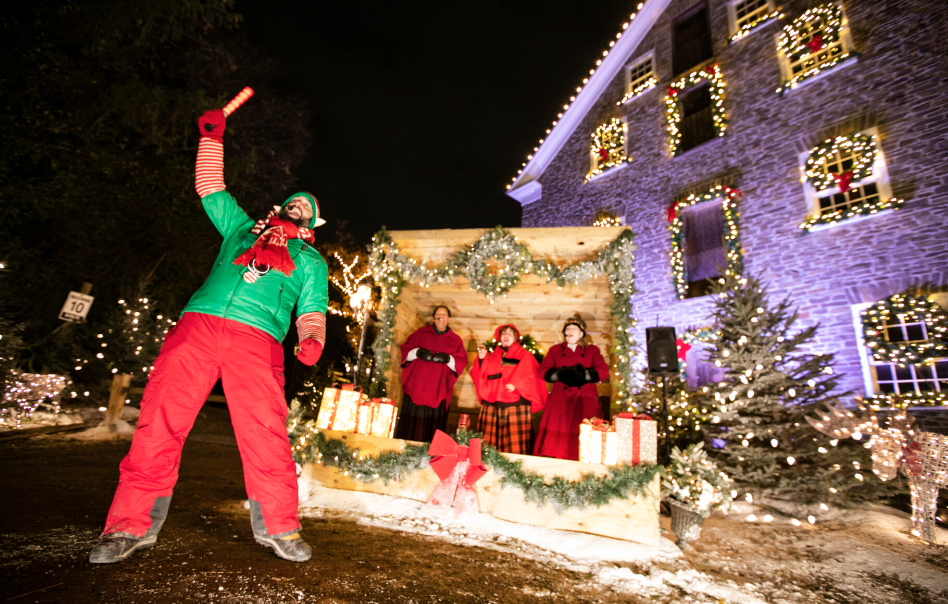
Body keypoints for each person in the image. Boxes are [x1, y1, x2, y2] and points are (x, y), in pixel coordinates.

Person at [89, 108, 328, 564]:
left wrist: (310, 338)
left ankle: (279, 526)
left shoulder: (311, 261)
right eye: (293, 201)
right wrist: (211, 140)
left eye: (306, 207)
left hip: (257, 341)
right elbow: (211, 189)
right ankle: (128, 527)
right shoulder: (241, 229)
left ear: (313, 224)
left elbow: (312, 307)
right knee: (158, 421)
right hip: (197, 326)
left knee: (265, 433)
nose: (297, 206)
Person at [533, 316, 609, 461]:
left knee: (583, 438)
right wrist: (560, 375)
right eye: (567, 329)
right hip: (560, 401)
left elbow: (603, 371)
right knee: (556, 440)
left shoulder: (592, 350)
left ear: (581, 333)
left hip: (584, 400)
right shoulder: (555, 350)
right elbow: (542, 371)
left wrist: (583, 375)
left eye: (574, 328)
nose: (569, 331)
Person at [395, 305, 468, 442]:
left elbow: (462, 361)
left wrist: (448, 359)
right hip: (416, 388)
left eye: (444, 315)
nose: (441, 317)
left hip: (438, 391)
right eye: (438, 315)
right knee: (410, 425)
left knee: (433, 430)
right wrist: (417, 352)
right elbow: (406, 349)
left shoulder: (455, 340)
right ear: (434, 319)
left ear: (449, 320)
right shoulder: (421, 333)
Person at [471, 325, 547, 454]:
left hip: (515, 405)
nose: (506, 335)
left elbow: (531, 372)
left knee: (514, 449)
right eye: (503, 333)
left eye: (510, 333)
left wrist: (517, 384)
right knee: (488, 448)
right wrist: (481, 359)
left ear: (516, 338)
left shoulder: (525, 355)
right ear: (499, 337)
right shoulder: (492, 355)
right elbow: (479, 373)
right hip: (492, 404)